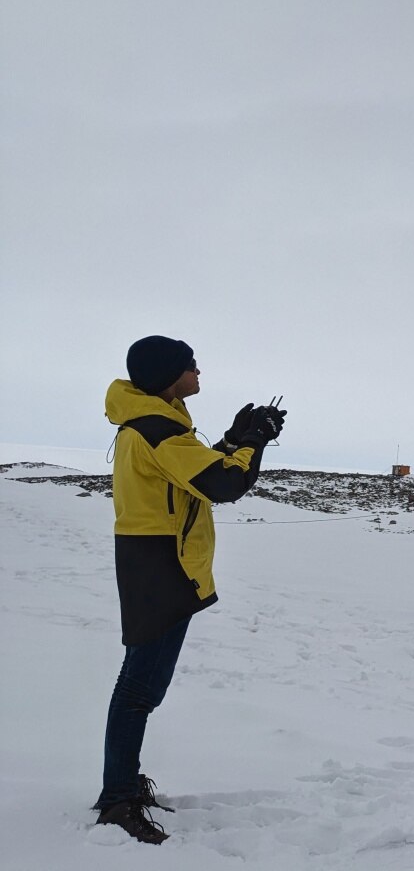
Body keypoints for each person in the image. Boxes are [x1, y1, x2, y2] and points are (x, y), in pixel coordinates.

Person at [93, 335, 286, 843]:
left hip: (154, 562)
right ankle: (117, 799)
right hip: (161, 566)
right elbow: (224, 484)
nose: (199, 372)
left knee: (140, 685)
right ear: (167, 374)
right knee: (138, 689)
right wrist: (254, 441)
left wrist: (234, 439)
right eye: (191, 365)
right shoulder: (156, 428)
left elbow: (194, 475)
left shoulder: (158, 423)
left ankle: (122, 784)